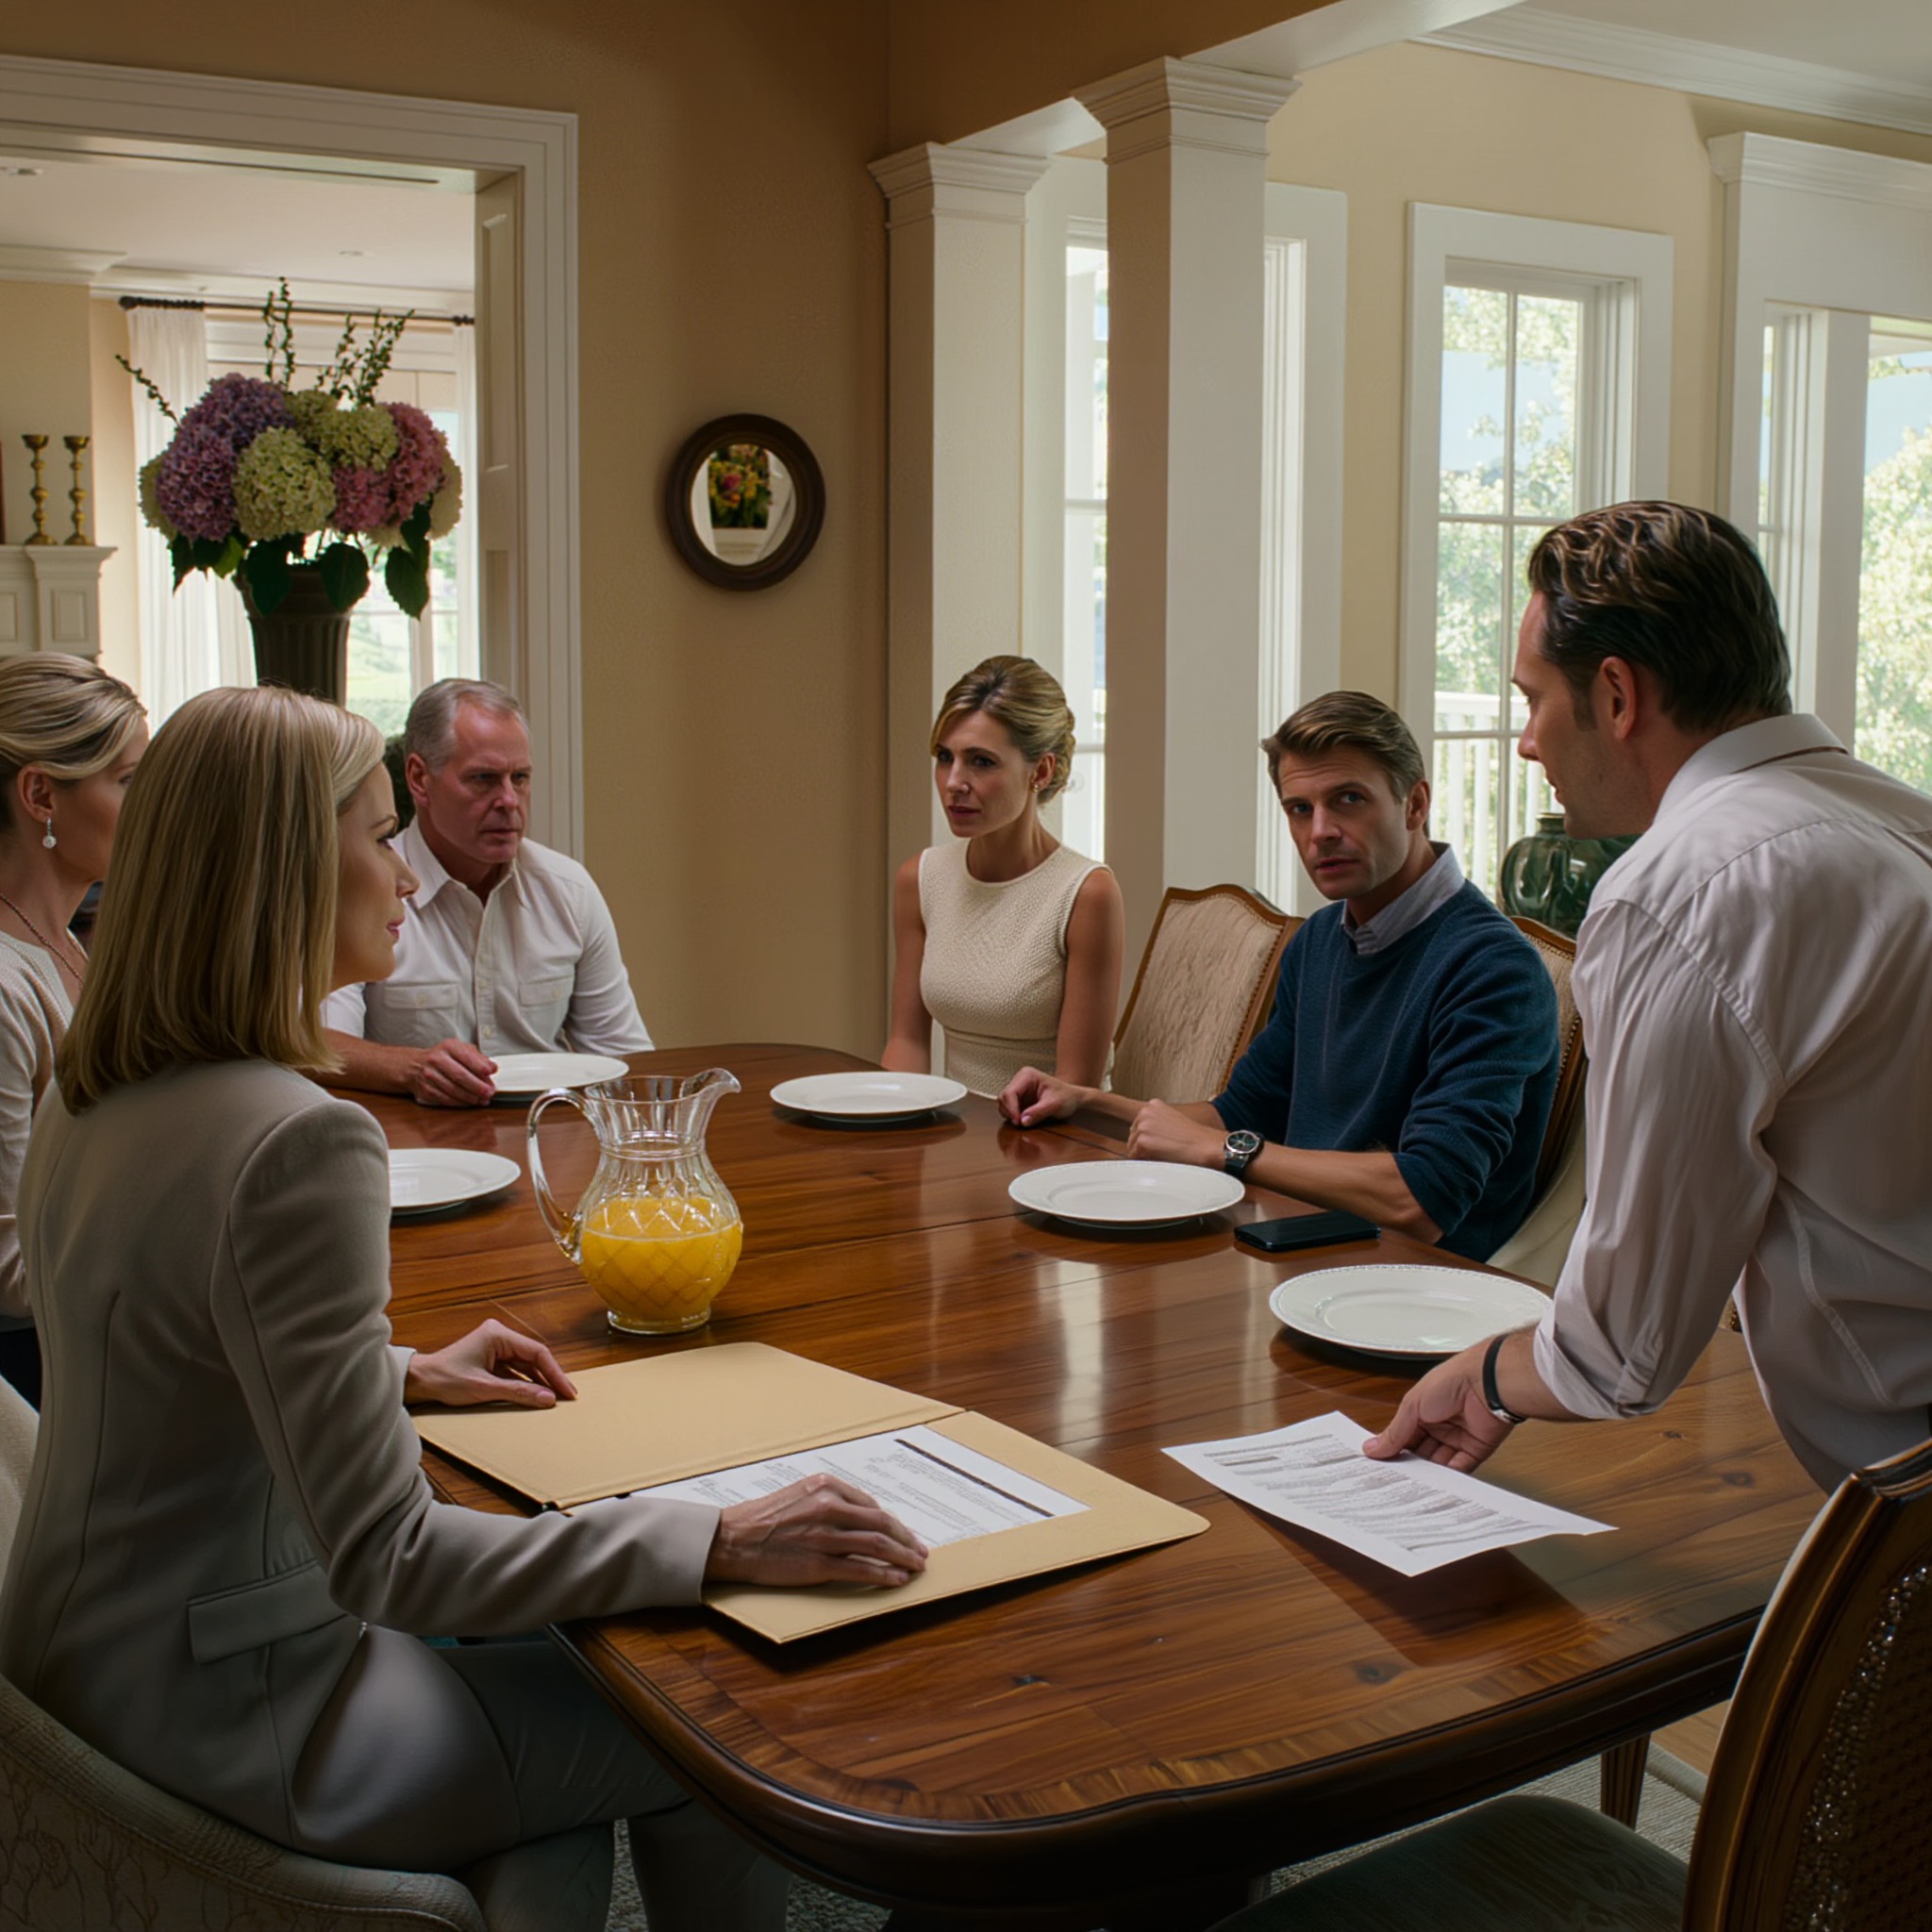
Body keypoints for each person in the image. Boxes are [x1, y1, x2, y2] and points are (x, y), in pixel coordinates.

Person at [0, 686, 925, 1925]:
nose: (400, 874)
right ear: (288, 871)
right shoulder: (297, 1142)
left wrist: (400, 1370)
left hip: (88, 1665)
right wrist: (720, 1540)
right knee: (710, 1740)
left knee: (566, 1667)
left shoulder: (94, 1081)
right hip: (244, 1719)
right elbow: (398, 1561)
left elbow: (165, 1351)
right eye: (378, 835)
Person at [1368, 501, 1932, 1493]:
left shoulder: (1678, 892)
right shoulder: (1902, 820)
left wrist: (1487, 1373)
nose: (1526, 743)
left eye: (1533, 699)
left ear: (1618, 694)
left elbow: (1621, 1346)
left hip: (1897, 1501)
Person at [1002, 692, 1558, 1262]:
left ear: (1415, 805)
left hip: (1422, 1290)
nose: (1321, 831)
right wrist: (1086, 1103)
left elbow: (1422, 1200)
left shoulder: (1494, 969)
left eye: (1348, 800)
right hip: (1296, 1246)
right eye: (1299, 808)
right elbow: (1239, 1112)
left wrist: (1227, 1150)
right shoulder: (1319, 940)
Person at [324, 677, 652, 1106]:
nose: (509, 801)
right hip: (422, 1152)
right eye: (483, 779)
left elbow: (623, 1055)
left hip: (553, 1138)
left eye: (520, 778)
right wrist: (410, 1068)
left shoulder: (568, 891)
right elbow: (317, 1047)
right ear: (419, 779)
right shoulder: (367, 892)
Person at [0, 655, 145, 1407]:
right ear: (40, 795)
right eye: (127, 782)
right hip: (39, 1377)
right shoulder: (3, 988)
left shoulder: (66, 940)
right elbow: (8, 1266)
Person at [883, 655, 1124, 1098]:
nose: (954, 781)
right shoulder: (918, 879)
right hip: (953, 1136)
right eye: (944, 757)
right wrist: (893, 1126)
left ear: (1041, 771)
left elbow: (1074, 1087)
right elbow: (906, 1042)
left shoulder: (1087, 893)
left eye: (981, 762)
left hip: (1053, 1141)